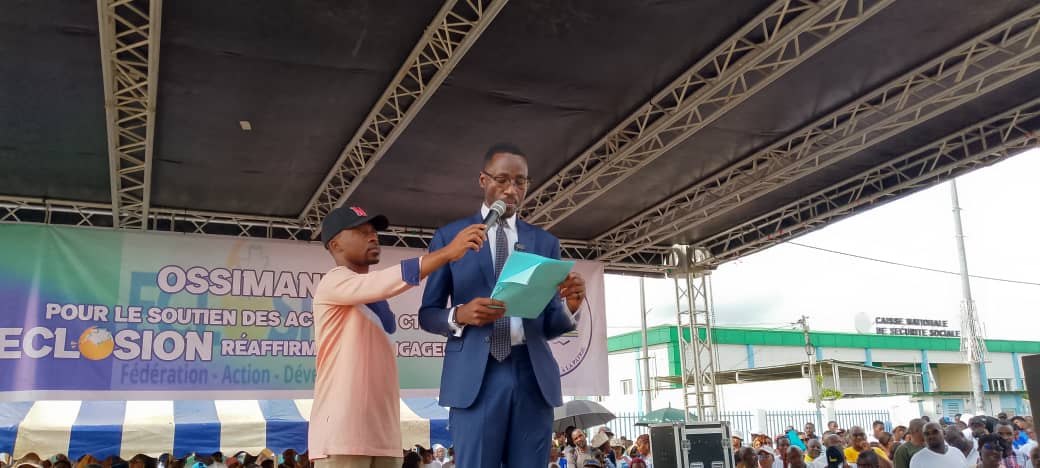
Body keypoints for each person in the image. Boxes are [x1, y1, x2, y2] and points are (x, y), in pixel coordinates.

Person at [419, 142, 587, 468]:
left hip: (531, 374)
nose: (511, 190)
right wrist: (460, 314)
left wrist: (571, 306)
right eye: (502, 180)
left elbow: (548, 323)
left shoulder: (544, 243)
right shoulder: (451, 237)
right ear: (483, 180)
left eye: (520, 181)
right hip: (476, 377)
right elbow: (428, 314)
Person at [309, 205, 485, 468]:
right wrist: (448, 252)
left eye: (374, 231)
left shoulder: (375, 297)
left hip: (385, 437)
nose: (372, 237)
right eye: (361, 232)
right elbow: (386, 282)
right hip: (342, 437)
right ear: (335, 244)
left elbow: (380, 286)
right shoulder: (333, 282)